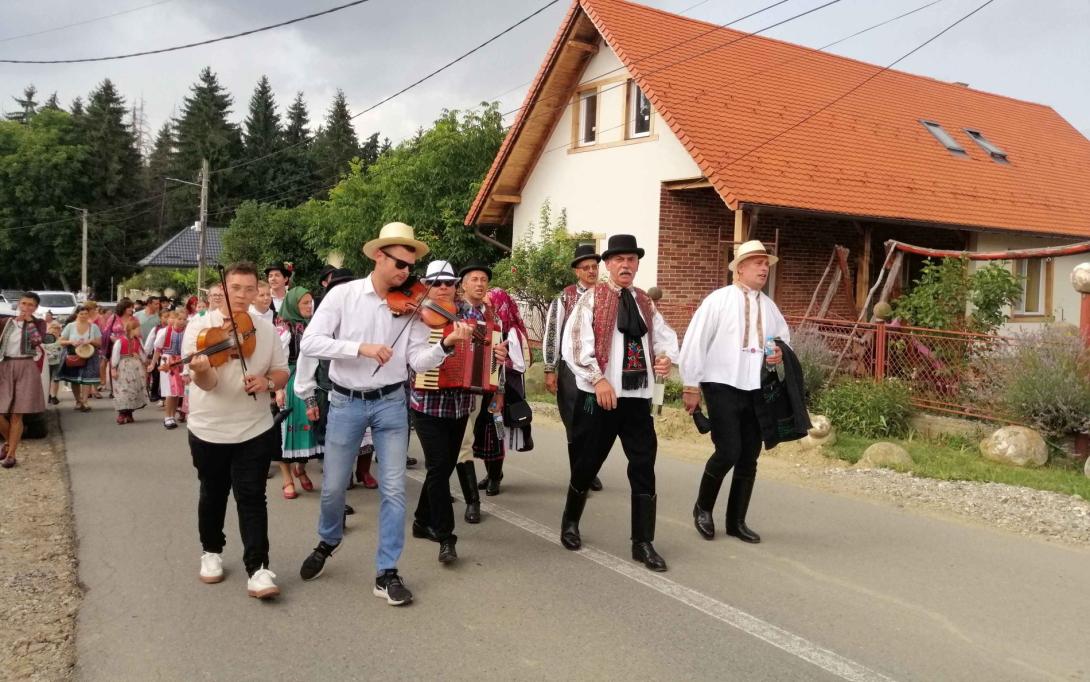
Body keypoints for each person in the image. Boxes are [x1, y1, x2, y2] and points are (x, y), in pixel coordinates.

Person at [297, 222, 474, 606]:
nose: (406, 274)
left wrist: (445, 344)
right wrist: (360, 348)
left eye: (411, 267)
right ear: (379, 256)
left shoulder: (410, 307)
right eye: (400, 264)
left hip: (392, 402)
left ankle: (387, 572)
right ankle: (329, 540)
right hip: (345, 402)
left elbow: (415, 359)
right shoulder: (343, 296)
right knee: (333, 487)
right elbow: (311, 342)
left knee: (394, 489)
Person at [560, 234, 679, 572]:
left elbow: (665, 337)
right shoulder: (592, 299)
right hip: (601, 397)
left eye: (632, 260)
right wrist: (597, 379)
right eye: (619, 260)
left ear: (637, 264)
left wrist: (666, 359)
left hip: (637, 400)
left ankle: (643, 542)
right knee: (586, 463)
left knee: (643, 468)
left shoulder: (644, 302)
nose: (626, 265)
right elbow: (574, 344)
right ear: (608, 265)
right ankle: (570, 521)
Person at [183, 261, 289, 599]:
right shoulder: (199, 328)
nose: (242, 296)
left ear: (259, 290)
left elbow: (281, 371)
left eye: (249, 289)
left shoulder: (266, 329)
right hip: (208, 427)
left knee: (252, 497)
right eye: (235, 289)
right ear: (223, 291)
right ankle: (211, 551)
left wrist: (267, 382)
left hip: (253, 427)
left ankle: (258, 568)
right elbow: (209, 383)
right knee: (212, 493)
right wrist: (201, 370)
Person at [680, 240, 795, 544]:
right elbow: (695, 341)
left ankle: (736, 521)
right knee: (728, 450)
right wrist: (691, 385)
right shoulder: (718, 301)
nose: (763, 268)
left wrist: (779, 354)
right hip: (721, 385)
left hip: (755, 388)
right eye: (757, 262)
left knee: (749, 457)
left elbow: (784, 340)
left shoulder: (770, 307)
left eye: (765, 264)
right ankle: (703, 508)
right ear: (740, 268)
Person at [409, 261, 508, 564]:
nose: (443, 288)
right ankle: (446, 536)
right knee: (439, 467)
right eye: (436, 283)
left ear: (455, 286)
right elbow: (418, 364)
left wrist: (498, 355)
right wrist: (446, 343)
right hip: (427, 404)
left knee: (445, 465)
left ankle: (420, 521)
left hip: (460, 405)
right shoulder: (415, 318)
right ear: (425, 284)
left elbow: (490, 352)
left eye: (448, 283)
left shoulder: (472, 317)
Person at [543, 244, 603, 491]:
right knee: (574, 422)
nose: (591, 271)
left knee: (597, 423)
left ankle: (589, 469)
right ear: (577, 272)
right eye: (586, 267)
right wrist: (550, 368)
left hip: (599, 371)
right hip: (570, 371)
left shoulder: (606, 295)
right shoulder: (565, 297)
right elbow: (552, 333)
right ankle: (579, 474)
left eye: (594, 267)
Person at [451, 263, 499, 522]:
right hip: (452, 386)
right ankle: (473, 501)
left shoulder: (492, 314)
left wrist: (497, 385)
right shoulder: (452, 310)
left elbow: (498, 352)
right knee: (463, 442)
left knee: (464, 441)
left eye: (484, 280)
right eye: (475, 280)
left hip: (480, 387)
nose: (480, 284)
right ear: (463, 284)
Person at [475, 287, 532, 493]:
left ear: (502, 304)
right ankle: (490, 473)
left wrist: (496, 359)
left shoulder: (512, 332)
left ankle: (495, 476)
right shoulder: (485, 325)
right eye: (486, 304)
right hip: (485, 389)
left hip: (505, 391)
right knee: (483, 432)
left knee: (498, 433)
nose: (488, 307)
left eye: (491, 303)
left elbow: (520, 364)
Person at [274, 286, 321, 499]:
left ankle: (300, 468)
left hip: (310, 381)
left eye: (310, 302)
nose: (309, 306)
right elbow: (277, 363)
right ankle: (287, 479)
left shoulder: (314, 325)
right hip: (289, 380)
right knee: (286, 434)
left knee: (309, 430)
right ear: (293, 304)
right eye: (304, 303)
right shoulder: (283, 329)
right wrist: (278, 389)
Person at [0, 293, 48, 468]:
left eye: (30, 305)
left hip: (26, 366)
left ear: (35, 308)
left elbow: (36, 341)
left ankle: (11, 454)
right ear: (18, 304)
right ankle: (8, 442)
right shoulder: (7, 322)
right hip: (5, 366)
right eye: (23, 303)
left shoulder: (38, 324)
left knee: (17, 413)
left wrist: (29, 322)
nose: (26, 307)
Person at [57, 303, 103, 412]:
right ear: (77, 314)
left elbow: (100, 344)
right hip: (74, 355)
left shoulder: (94, 327)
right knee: (75, 380)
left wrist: (91, 341)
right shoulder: (70, 326)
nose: (84, 316)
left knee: (87, 379)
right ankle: (78, 401)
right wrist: (71, 342)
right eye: (81, 314)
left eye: (86, 314)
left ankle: (85, 401)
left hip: (90, 355)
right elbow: (60, 341)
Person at [151, 309, 187, 429]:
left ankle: (172, 415)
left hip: (180, 361)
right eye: (179, 319)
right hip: (168, 360)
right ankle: (167, 416)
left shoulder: (186, 332)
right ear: (173, 319)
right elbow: (157, 349)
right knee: (170, 391)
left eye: (184, 319)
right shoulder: (165, 331)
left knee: (177, 392)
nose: (182, 321)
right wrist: (153, 363)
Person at [110, 318, 147, 424]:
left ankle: (129, 413)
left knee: (134, 389)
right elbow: (115, 355)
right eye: (138, 328)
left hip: (135, 367)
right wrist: (113, 368)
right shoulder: (120, 341)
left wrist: (143, 360)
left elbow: (142, 353)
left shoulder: (137, 340)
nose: (140, 330)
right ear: (132, 329)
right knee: (124, 389)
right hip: (124, 367)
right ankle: (122, 413)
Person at [44, 321, 64, 406]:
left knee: (56, 378)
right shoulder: (45, 338)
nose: (55, 331)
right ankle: (47, 395)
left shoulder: (61, 338)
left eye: (57, 329)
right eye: (53, 329)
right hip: (47, 362)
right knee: (47, 379)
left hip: (57, 361)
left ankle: (54, 396)